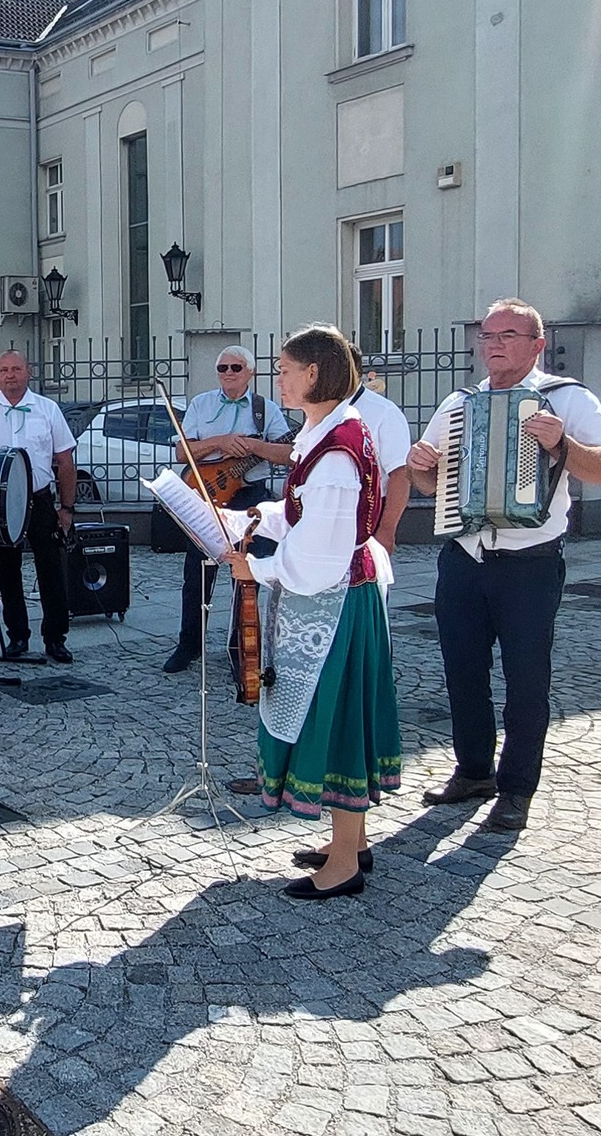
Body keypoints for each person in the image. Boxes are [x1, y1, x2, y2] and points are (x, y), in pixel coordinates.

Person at [404, 298, 601, 834]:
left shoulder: (566, 399)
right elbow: (430, 484)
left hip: (530, 563)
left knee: (527, 680)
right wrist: (421, 467)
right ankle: (473, 771)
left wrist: (562, 444)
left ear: (537, 345)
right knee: (462, 672)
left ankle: (517, 788)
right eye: (487, 335)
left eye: (508, 334)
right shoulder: (459, 403)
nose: (494, 343)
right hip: (463, 558)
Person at [221, 324, 398, 900]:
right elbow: (302, 515)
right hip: (339, 597)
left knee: (338, 719)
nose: (278, 378)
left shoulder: (338, 451)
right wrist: (254, 520)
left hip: (336, 604)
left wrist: (258, 570)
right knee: (338, 714)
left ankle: (344, 863)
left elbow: (319, 556)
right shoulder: (324, 433)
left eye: (285, 369)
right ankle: (351, 840)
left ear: (314, 374)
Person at [162, 345, 294, 675]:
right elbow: (182, 452)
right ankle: (189, 644)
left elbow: (289, 454)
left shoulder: (266, 410)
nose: (229, 373)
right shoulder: (200, 404)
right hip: (206, 493)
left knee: (246, 574)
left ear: (250, 372)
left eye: (236, 367)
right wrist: (220, 442)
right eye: (223, 368)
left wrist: (253, 446)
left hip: (249, 496)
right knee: (197, 573)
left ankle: (242, 650)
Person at [0, 349, 79, 665]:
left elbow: (65, 461)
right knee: (7, 572)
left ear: (28, 372)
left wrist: (67, 508)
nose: (10, 375)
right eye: (4, 369)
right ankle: (17, 635)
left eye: (16, 369)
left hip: (40, 499)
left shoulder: (47, 410)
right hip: (0, 505)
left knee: (51, 570)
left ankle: (55, 638)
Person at [352, 370, 415, 556]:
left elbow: (401, 473)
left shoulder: (383, 411)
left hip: (369, 512)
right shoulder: (323, 408)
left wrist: (387, 531)